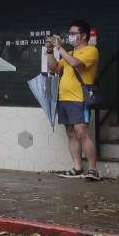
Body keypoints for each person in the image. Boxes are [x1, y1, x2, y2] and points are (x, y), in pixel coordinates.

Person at [46, 20, 100, 180]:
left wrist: (59, 47)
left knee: (82, 133)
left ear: (83, 36)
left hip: (79, 100)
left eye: (73, 34)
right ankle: (77, 167)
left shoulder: (91, 51)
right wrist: (50, 51)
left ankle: (93, 169)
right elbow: (54, 68)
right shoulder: (70, 53)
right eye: (69, 34)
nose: (70, 36)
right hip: (64, 99)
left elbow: (77, 65)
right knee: (71, 134)